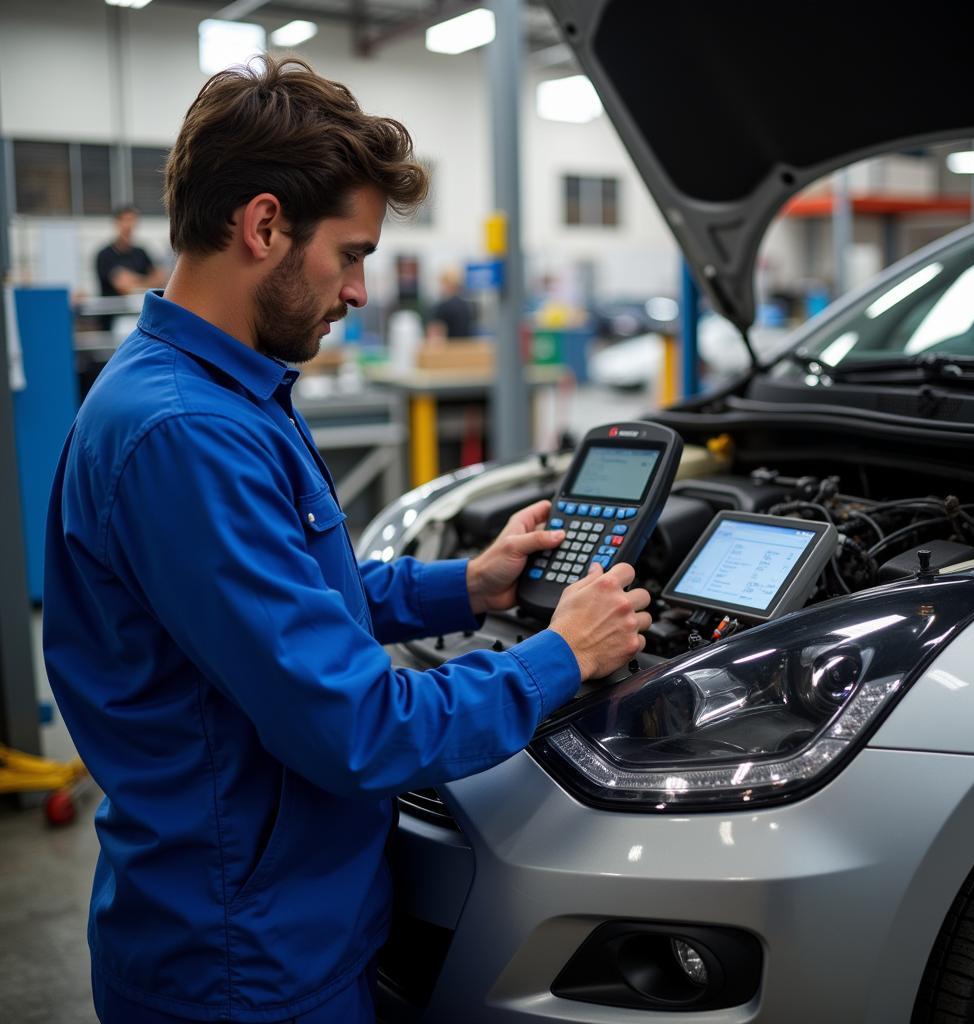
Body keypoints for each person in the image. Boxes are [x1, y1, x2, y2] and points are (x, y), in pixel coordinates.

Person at [43, 56, 650, 1024]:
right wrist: (560, 654)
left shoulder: (214, 394)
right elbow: (360, 729)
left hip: (272, 920)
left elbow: (286, 600)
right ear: (264, 225)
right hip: (247, 962)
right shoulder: (188, 432)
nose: (362, 290)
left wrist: (470, 585)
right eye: (352, 253)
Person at [95, 205, 167, 299]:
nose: (129, 225)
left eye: (132, 220)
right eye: (125, 220)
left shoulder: (141, 252)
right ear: (117, 223)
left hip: (138, 308)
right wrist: (147, 282)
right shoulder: (105, 255)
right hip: (114, 310)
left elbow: (160, 280)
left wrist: (133, 280)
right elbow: (123, 287)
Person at [426, 266, 477, 340]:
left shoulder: (443, 307)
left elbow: (435, 334)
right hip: (465, 347)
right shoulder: (466, 306)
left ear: (446, 285)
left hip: (449, 349)